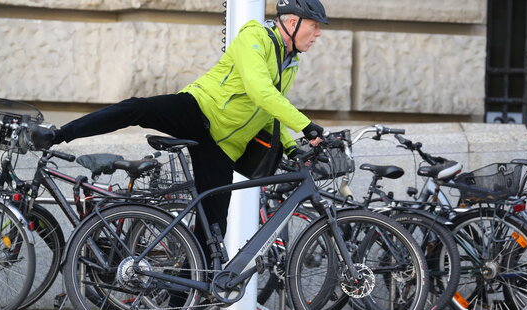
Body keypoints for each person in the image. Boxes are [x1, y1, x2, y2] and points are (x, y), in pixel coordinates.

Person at [35, 0, 328, 261]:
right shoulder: (255, 37)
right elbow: (260, 90)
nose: (318, 35)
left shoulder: (291, 63)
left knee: (213, 232)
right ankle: (60, 134)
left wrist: (290, 145)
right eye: (314, 27)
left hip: (222, 146)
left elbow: (267, 111)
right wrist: (305, 124)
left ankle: (181, 299)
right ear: (292, 22)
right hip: (198, 109)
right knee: (135, 108)